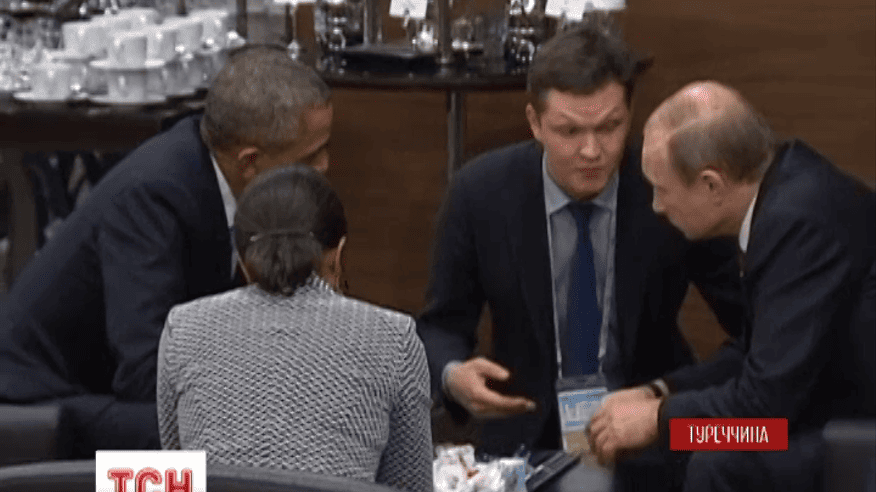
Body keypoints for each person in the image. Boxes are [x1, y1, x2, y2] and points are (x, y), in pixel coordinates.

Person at [417, 18, 743, 460]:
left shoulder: (670, 188)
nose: (592, 151)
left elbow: (753, 328)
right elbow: (439, 327)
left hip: (648, 436)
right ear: (535, 122)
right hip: (526, 437)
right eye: (570, 131)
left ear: (630, 114)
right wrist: (453, 375)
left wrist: (664, 394)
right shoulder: (480, 193)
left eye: (609, 127)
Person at [0, 45, 333, 457]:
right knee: (230, 440)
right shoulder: (153, 197)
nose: (325, 167)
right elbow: (146, 373)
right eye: (311, 156)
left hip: (103, 392)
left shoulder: (221, 170)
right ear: (249, 162)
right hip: (43, 408)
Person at [589, 80, 876, 491]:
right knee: (659, 446)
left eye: (662, 190)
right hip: (804, 409)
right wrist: (658, 393)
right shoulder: (783, 191)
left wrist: (657, 419)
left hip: (848, 428)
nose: (657, 206)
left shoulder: (797, 223)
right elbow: (755, 351)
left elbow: (763, 412)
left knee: (715, 460)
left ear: (711, 184)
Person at [157, 164, 432, 492]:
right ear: (337, 256)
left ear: (243, 262)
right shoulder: (394, 338)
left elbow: (177, 476)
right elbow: (409, 487)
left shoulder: (183, 328)